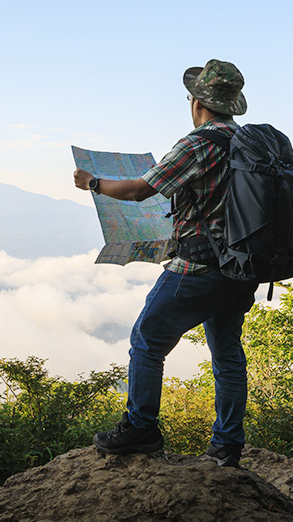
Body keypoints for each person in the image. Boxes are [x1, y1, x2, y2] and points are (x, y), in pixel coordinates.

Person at [72, 59, 258, 468]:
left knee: (147, 339)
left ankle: (140, 429)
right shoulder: (249, 144)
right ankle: (227, 445)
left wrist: (94, 183)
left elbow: (140, 190)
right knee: (227, 353)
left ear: (197, 103)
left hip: (199, 269)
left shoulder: (199, 144)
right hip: (242, 269)